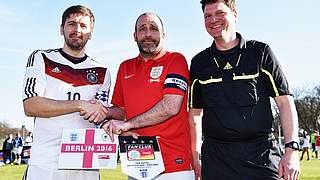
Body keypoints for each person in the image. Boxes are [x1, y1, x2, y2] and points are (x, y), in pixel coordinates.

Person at [188, 0, 300, 180]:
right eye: (207, 16)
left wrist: (292, 151)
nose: (213, 20)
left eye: (220, 13)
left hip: (261, 156)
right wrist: (195, 156)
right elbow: (194, 114)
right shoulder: (199, 63)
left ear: (234, 14)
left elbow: (285, 102)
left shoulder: (260, 52)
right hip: (216, 159)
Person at [99, 12, 194, 180]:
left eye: (154, 29)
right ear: (135, 36)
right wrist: (102, 111)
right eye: (142, 29)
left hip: (173, 165)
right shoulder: (125, 67)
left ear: (163, 35)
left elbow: (170, 107)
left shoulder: (175, 60)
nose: (148, 34)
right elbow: (121, 111)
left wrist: (127, 124)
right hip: (137, 161)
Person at [22, 5, 111, 180]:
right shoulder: (41, 58)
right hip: (46, 162)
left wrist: (110, 122)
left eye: (83, 26)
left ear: (91, 33)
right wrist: (79, 105)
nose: (77, 30)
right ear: (61, 29)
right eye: (71, 24)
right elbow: (30, 105)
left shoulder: (102, 72)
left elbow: (101, 114)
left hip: (85, 163)